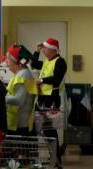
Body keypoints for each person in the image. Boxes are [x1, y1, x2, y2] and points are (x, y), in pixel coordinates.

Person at [30, 37, 67, 168]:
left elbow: (56, 79)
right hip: (42, 99)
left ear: (52, 50)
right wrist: (37, 51)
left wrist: (42, 80)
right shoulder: (47, 60)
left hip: (52, 99)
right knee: (39, 129)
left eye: (45, 48)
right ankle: (39, 159)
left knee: (50, 131)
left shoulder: (60, 62)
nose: (43, 50)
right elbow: (33, 65)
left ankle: (56, 161)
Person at [5, 44, 37, 136]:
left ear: (15, 61)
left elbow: (19, 100)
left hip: (20, 125)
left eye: (8, 59)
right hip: (17, 123)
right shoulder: (22, 74)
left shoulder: (23, 75)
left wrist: (0, 98)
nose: (6, 62)